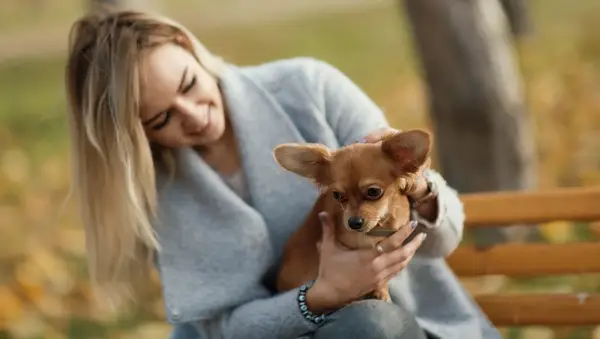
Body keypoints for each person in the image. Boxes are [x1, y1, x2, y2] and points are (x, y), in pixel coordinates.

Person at [64, 8, 501, 339]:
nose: (194, 116)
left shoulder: (307, 89)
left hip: (399, 325)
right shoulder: (158, 188)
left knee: (369, 325)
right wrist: (319, 297)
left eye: (188, 85)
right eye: (161, 120)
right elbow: (222, 327)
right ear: (135, 137)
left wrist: (421, 189)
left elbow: (444, 238)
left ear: (186, 44)